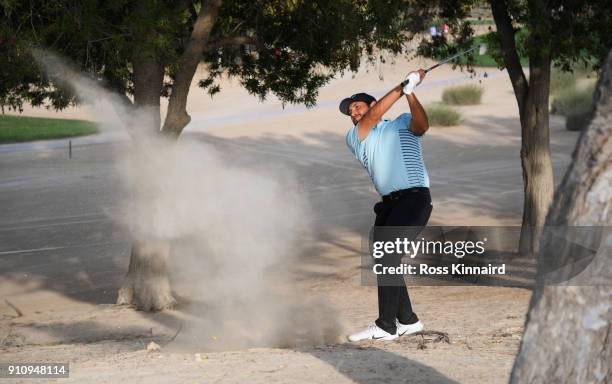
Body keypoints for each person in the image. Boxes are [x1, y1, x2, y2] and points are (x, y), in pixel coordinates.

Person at [340, 69, 433, 341]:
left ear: (371, 103)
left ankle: (386, 325)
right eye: (350, 112)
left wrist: (410, 92)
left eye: (357, 107)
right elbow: (372, 117)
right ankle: (407, 320)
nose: (353, 113)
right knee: (384, 259)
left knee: (389, 256)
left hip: (414, 198)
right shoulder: (356, 136)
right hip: (388, 206)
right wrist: (400, 86)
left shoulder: (402, 123)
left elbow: (422, 125)